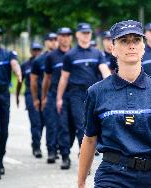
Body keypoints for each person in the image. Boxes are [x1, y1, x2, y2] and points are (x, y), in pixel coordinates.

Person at [78, 20, 151, 188]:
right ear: (113, 49)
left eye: (136, 40)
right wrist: (81, 181)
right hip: (110, 176)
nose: (131, 45)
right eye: (124, 41)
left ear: (143, 47)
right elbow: (89, 139)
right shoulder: (97, 92)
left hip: (149, 176)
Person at [56, 23, 111, 169]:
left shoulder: (97, 53)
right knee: (82, 125)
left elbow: (104, 70)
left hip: (93, 93)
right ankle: (81, 158)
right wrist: (59, 98)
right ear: (78, 35)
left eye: (88, 33)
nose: (86, 35)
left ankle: (85, 155)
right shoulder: (70, 55)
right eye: (83, 33)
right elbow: (64, 78)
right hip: (76, 94)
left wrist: (110, 85)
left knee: (93, 125)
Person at [0, 26, 22, 179]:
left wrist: (18, 73)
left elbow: (14, 64)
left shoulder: (7, 53)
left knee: (4, 131)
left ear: (1, 37)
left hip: (4, 95)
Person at [41, 28, 72, 164]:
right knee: (56, 124)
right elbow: (46, 79)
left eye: (67, 36)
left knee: (71, 126)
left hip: (72, 95)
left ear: (71, 38)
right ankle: (57, 153)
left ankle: (65, 147)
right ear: (58, 38)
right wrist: (44, 97)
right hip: (54, 94)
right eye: (62, 36)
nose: (65, 38)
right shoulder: (51, 56)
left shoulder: (74, 54)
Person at [16, 42, 43, 158]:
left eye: (38, 50)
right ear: (31, 51)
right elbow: (20, 81)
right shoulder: (25, 65)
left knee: (45, 123)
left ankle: (52, 147)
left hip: (44, 95)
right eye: (34, 50)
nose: (36, 52)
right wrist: (17, 95)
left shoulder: (45, 63)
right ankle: (36, 146)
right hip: (30, 95)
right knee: (36, 122)